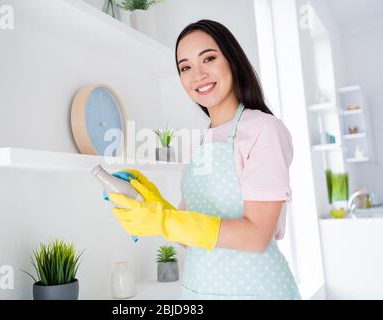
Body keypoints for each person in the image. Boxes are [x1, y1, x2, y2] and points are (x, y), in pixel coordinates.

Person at [108, 19, 301, 300]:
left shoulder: (264, 130)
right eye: (185, 67)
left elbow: (257, 236)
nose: (197, 75)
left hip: (257, 291)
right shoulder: (202, 141)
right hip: (199, 291)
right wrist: (155, 206)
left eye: (208, 58)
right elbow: (193, 237)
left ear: (232, 61)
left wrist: (165, 221)